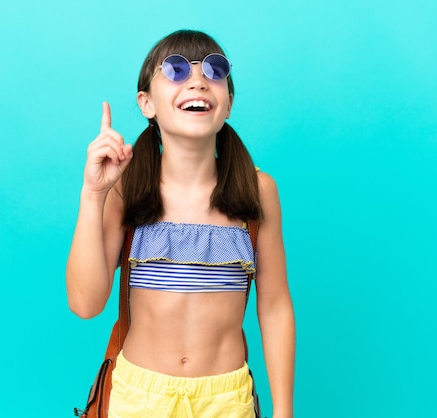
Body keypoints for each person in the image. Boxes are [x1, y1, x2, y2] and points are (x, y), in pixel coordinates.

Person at [66, 29, 295, 418]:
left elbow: (274, 308)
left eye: (214, 70)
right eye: (174, 69)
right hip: (138, 398)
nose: (197, 80)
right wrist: (93, 195)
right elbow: (86, 304)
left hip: (226, 401)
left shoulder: (258, 191)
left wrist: (284, 412)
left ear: (228, 103)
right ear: (146, 103)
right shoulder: (125, 188)